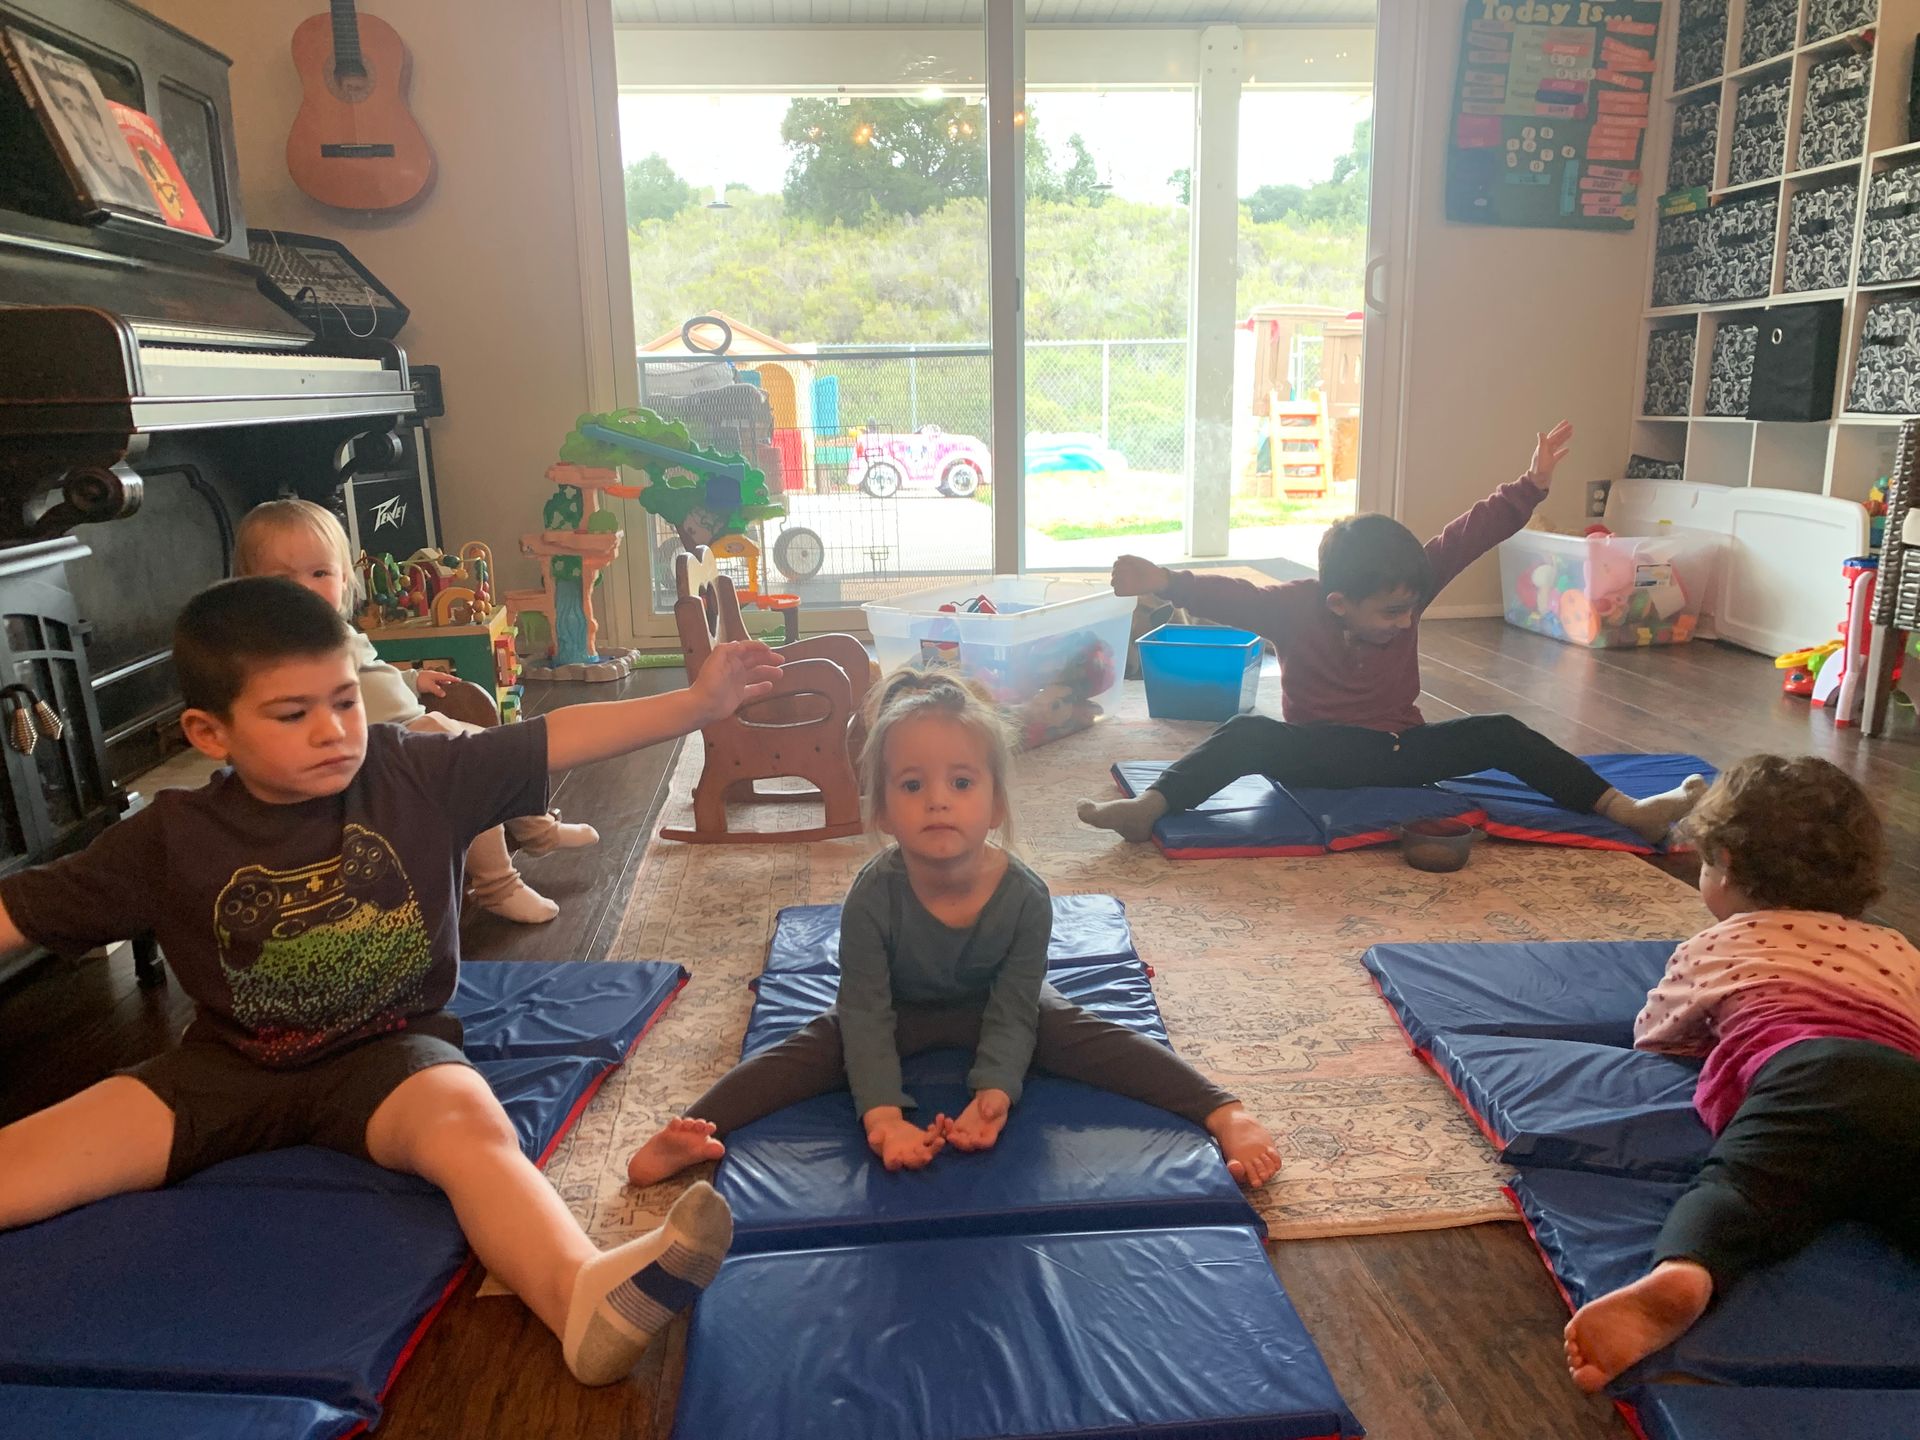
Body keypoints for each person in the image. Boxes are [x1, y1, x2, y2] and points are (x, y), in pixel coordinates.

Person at [0, 578, 785, 1385]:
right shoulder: (166, 837)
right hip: (224, 1070)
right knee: (30, 1159)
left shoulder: (414, 771)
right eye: (292, 714)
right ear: (210, 732)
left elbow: (558, 737)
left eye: (345, 701)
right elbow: (21, 911)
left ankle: (580, 1295)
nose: (333, 732)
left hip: (389, 1060)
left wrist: (695, 703)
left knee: (475, 1132)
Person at [626, 668, 1283, 1189]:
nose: (938, 799)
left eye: (961, 781)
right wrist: (883, 1119)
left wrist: (994, 1093)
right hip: (895, 1011)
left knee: (1083, 1033)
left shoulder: (1024, 897)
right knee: (814, 1048)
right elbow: (866, 1012)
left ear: (996, 803)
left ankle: (1224, 1109)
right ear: (882, 811)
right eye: (912, 785)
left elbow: (1014, 1008)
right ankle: (692, 1126)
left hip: (998, 1007)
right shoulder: (873, 898)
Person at [1076, 422, 1706, 846]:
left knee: (1502, 733)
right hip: (1316, 757)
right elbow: (1225, 595)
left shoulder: (1408, 585)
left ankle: (1627, 811)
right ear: (1339, 603)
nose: (1407, 621)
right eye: (1390, 615)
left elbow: (1467, 534)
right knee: (1245, 732)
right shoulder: (1293, 609)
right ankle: (1150, 809)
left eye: (1411, 609)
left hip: (1403, 755)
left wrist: (1532, 484)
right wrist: (1160, 578)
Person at [1563, 755, 1920, 1392]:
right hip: (1903, 1085)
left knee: (1739, 1191)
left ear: (1723, 863)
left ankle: (1686, 1276)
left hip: (1808, 1075)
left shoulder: (1717, 944)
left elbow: (1657, 1036)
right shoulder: (1896, 947)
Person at [235, 499, 596, 924]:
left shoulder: (340, 630)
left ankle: (536, 830)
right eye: (282, 579)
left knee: (492, 747)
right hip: (366, 758)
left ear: (344, 577)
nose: (305, 589)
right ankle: (497, 884)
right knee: (462, 758)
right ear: (251, 588)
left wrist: (411, 680)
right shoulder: (284, 652)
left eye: (320, 574)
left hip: (409, 730)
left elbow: (370, 678)